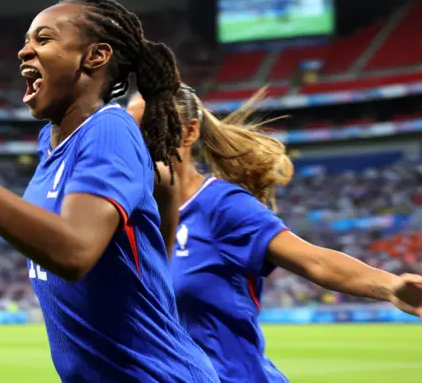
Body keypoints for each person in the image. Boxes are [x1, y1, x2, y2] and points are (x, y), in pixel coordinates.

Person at [0, 0, 218, 382]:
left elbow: (73, 250)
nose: (23, 50)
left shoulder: (109, 129)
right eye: (27, 40)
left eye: (43, 40)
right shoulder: (52, 139)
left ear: (95, 56)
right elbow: (160, 183)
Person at [127, 86, 422, 383]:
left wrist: (390, 287)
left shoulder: (221, 206)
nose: (133, 143)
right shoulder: (126, 216)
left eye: (149, 129)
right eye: (127, 130)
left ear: (189, 133)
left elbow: (314, 261)